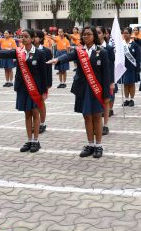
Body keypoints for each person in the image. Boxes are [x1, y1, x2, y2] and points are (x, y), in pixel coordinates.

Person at [47, 26, 114, 159]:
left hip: (97, 90)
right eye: (84, 35)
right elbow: (68, 56)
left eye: (88, 34)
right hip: (83, 88)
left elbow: (106, 75)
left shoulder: (103, 52)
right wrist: (57, 60)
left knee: (96, 116)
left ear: (94, 36)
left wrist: (107, 94)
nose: (85, 37)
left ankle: (98, 145)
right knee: (86, 117)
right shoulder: (79, 51)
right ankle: (90, 144)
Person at [0, 29, 48, 153]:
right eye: (22, 37)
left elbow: (43, 73)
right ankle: (29, 140)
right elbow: (8, 53)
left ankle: (36, 140)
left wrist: (44, 90)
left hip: (35, 88)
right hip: (23, 87)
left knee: (35, 112)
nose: (23, 39)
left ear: (32, 39)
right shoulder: (19, 51)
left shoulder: (39, 53)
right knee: (27, 113)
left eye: (26, 36)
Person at [97, 26, 116, 135]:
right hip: (95, 79)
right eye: (96, 33)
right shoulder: (93, 47)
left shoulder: (108, 48)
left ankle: (105, 125)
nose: (98, 35)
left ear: (104, 34)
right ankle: (98, 123)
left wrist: (112, 82)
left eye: (99, 32)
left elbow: (111, 65)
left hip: (107, 79)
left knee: (106, 101)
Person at [34, 30, 53, 134]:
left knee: (41, 102)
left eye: (36, 37)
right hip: (31, 81)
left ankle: (42, 123)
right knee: (32, 104)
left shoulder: (46, 51)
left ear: (41, 38)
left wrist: (48, 83)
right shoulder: (28, 50)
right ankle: (35, 123)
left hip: (42, 81)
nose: (34, 38)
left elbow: (48, 69)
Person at [119, 27, 141, 107]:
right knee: (125, 84)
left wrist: (138, 67)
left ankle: (132, 99)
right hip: (123, 67)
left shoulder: (134, 44)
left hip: (132, 67)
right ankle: (126, 99)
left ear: (130, 34)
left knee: (131, 84)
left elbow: (138, 56)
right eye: (124, 33)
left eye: (127, 33)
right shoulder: (121, 44)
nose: (125, 34)